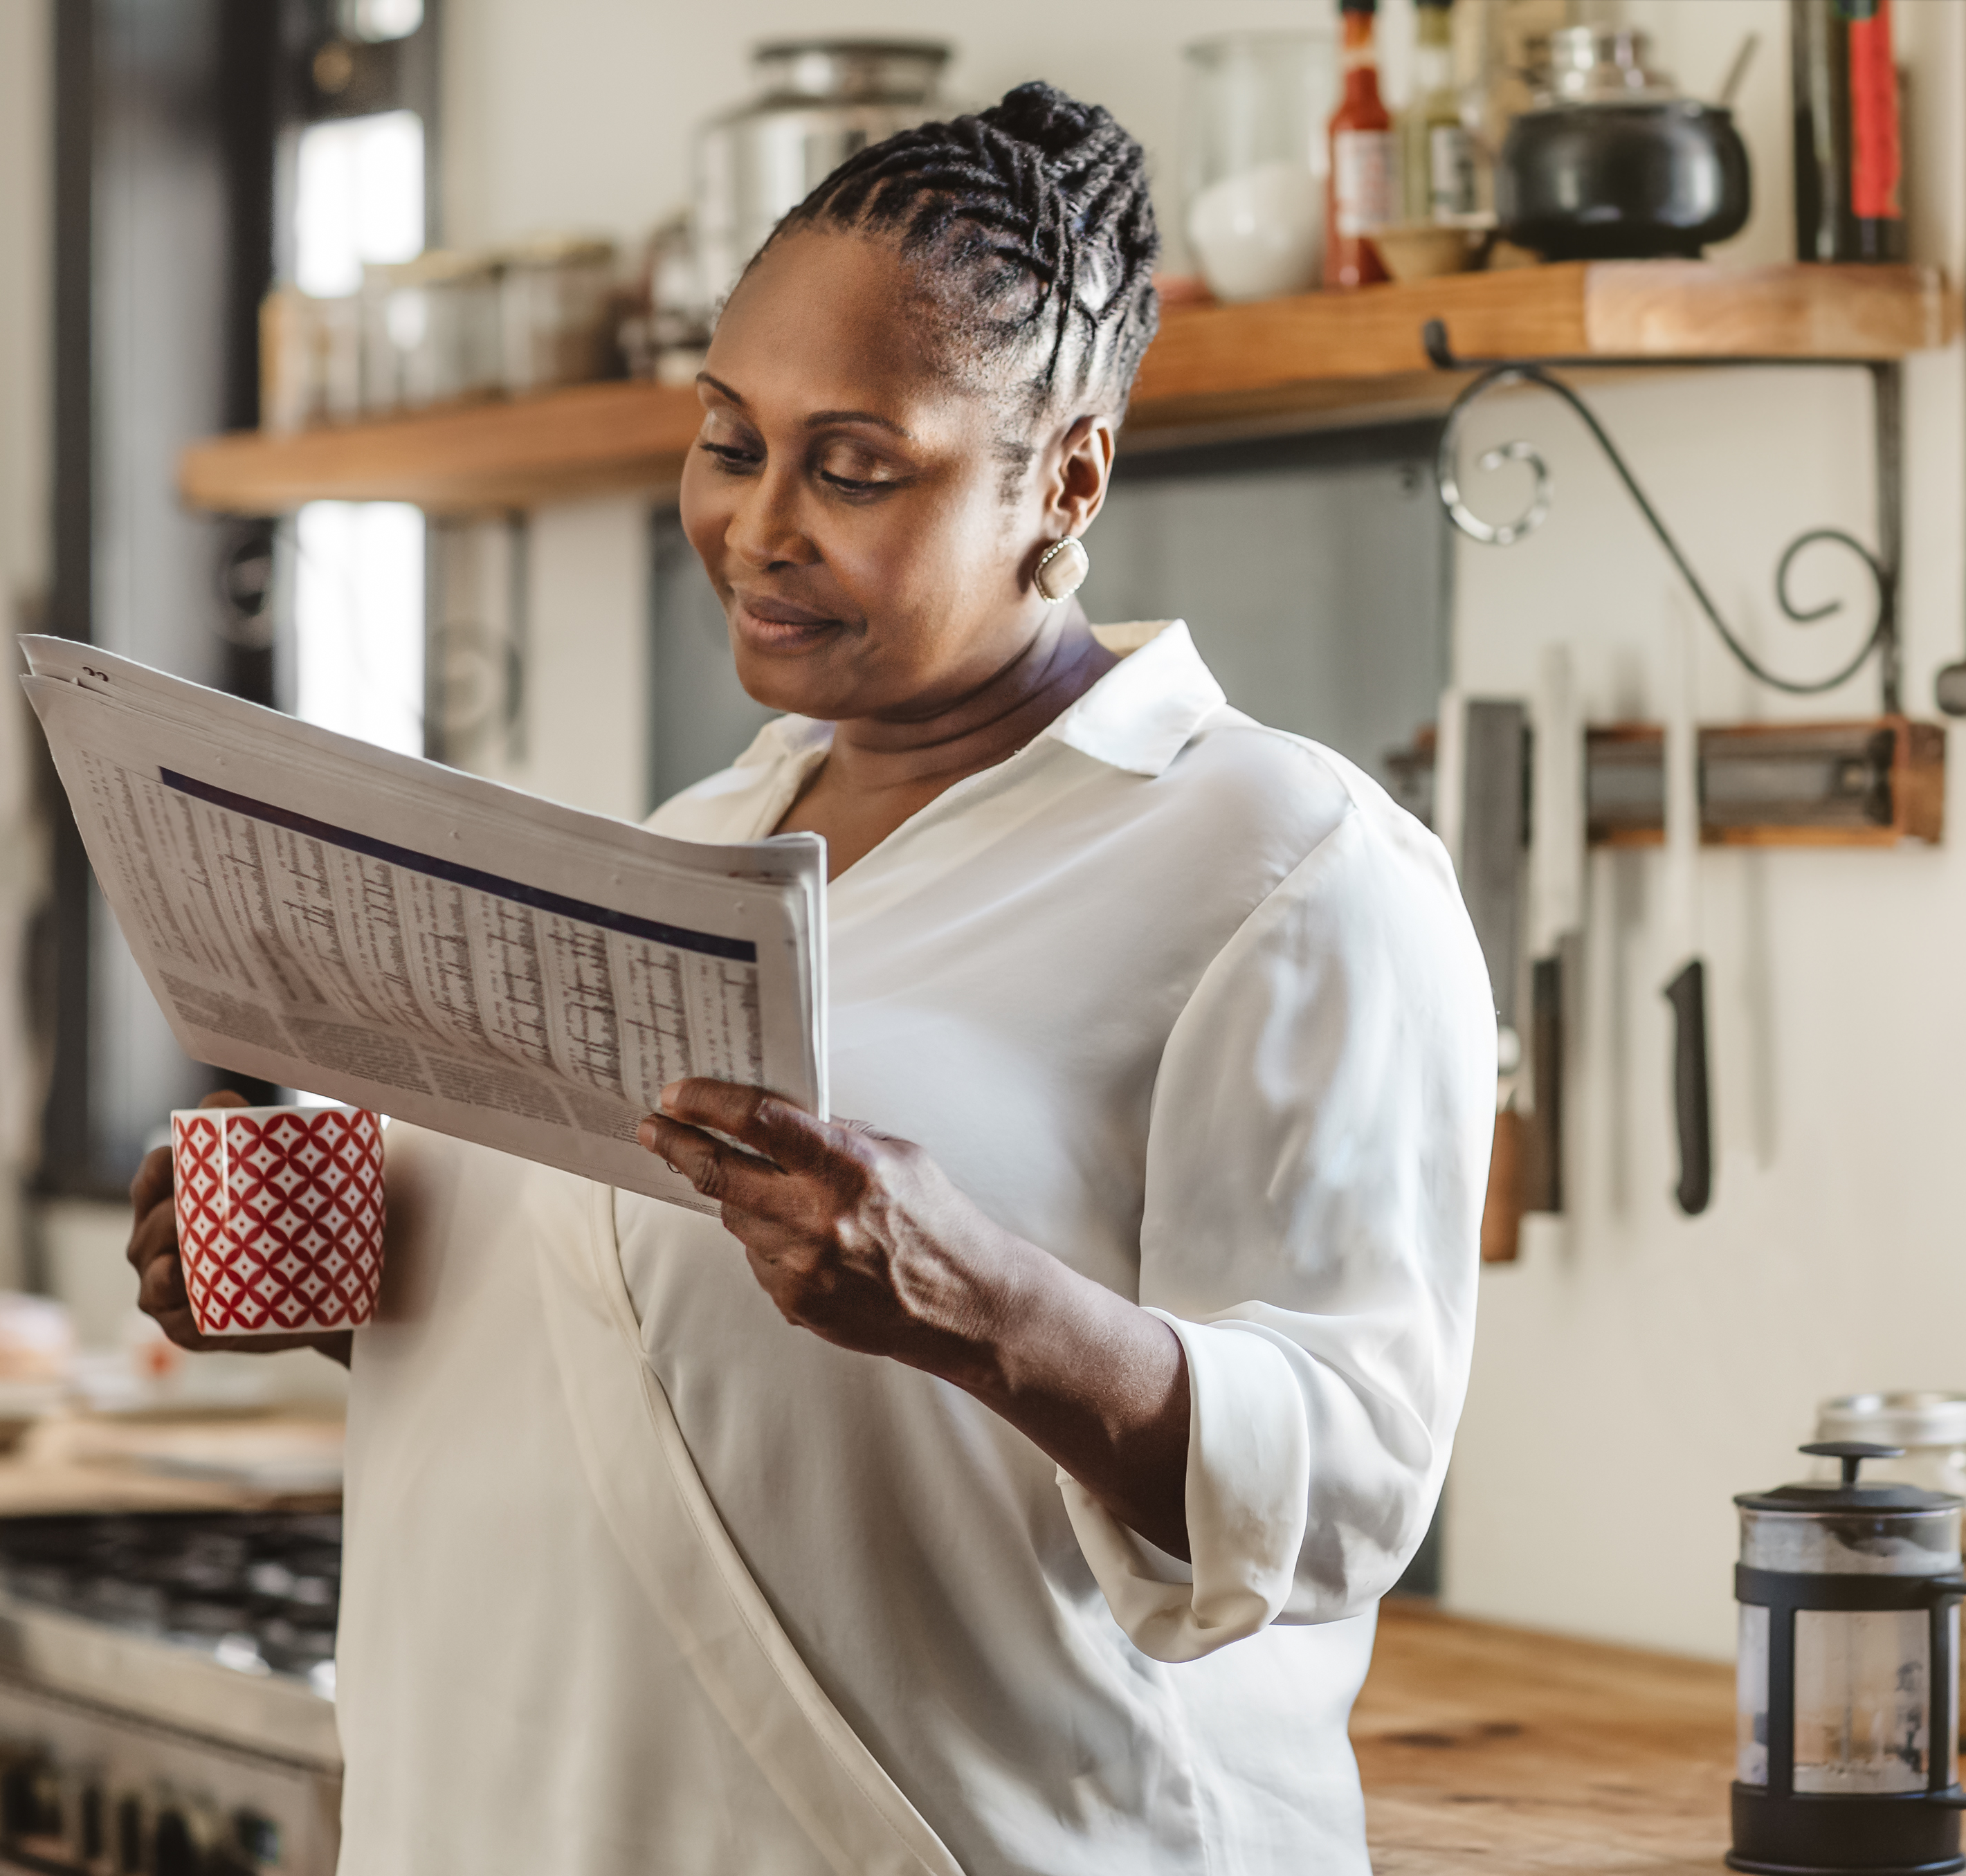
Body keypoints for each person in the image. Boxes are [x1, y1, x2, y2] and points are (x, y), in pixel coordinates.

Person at [123, 83, 1493, 1876]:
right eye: (728, 439)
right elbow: (656, 1343)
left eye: (855, 466)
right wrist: (361, 1278)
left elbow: (1347, 1484)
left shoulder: (1284, 863)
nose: (762, 523)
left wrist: (982, 1303)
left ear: (1063, 474)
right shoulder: (700, 838)